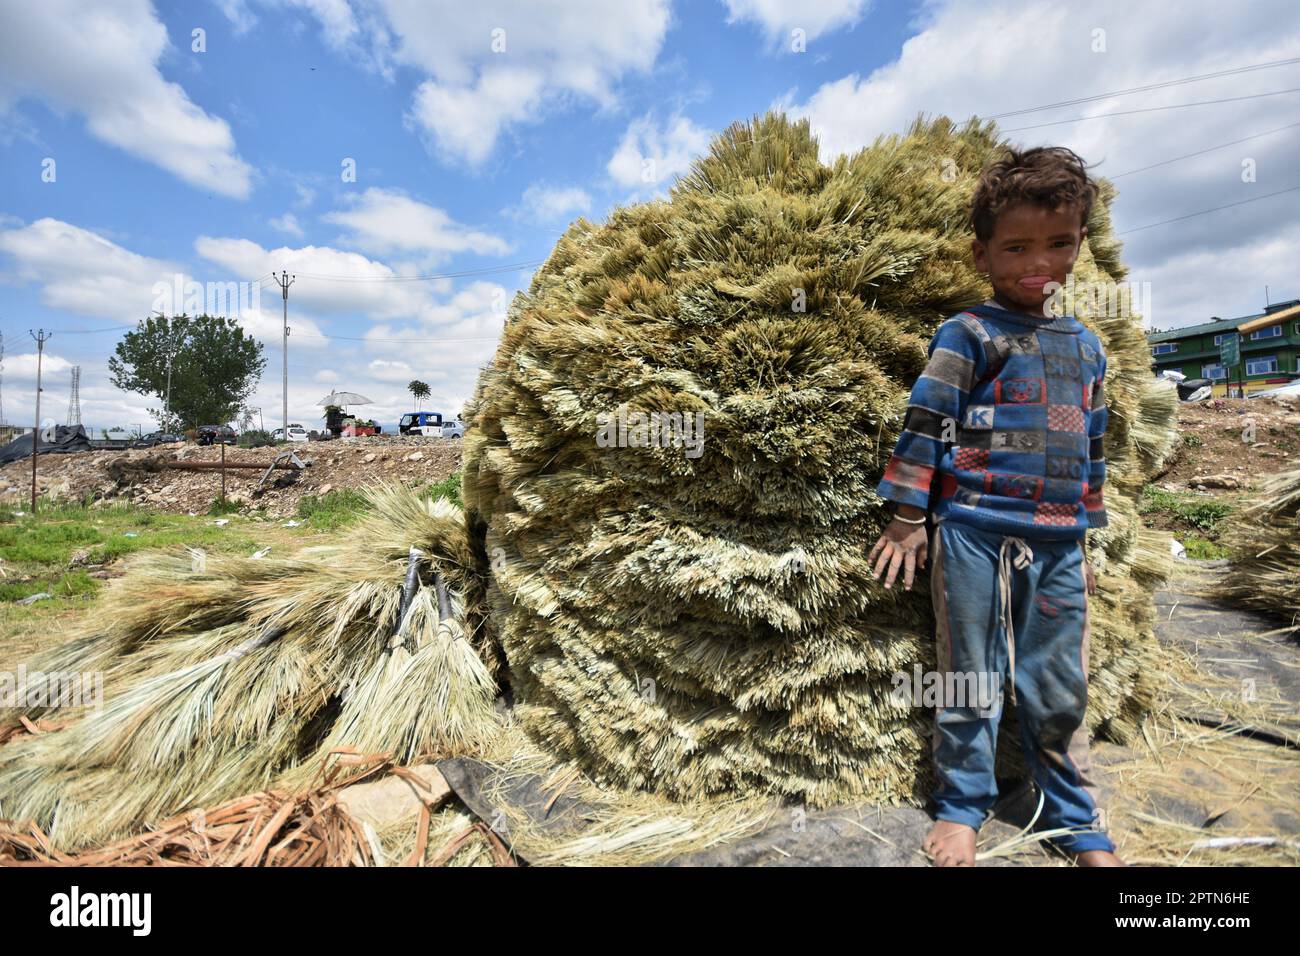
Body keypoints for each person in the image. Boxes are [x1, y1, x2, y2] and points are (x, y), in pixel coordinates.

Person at [869, 145, 1125, 867]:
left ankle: (1072, 816)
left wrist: (1088, 541)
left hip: (1058, 541)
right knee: (970, 672)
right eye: (1015, 247)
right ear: (982, 255)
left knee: (1057, 682)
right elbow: (927, 419)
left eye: (1057, 243)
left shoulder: (1088, 348)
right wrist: (909, 516)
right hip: (975, 533)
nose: (1036, 263)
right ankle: (961, 805)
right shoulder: (970, 334)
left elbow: (1094, 448)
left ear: (1079, 244)